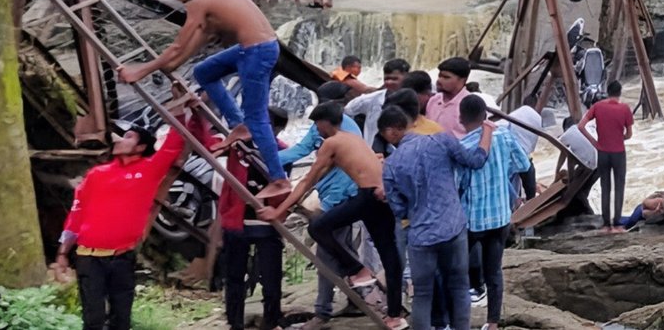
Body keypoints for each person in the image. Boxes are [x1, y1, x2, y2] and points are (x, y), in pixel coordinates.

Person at [119, 0, 290, 204]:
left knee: (257, 117)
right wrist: (170, 65)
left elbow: (178, 45)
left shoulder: (199, 3)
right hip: (254, 48)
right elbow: (202, 37)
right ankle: (238, 124)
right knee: (204, 72)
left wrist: (141, 70)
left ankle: (279, 180)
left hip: (257, 52)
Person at [259, 102, 408, 330]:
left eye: (317, 125)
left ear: (324, 123)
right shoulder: (353, 138)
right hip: (383, 196)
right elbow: (322, 175)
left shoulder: (331, 142)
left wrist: (279, 212)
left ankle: (356, 269)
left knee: (318, 227)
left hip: (367, 196)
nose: (316, 130)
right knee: (389, 253)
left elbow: (308, 179)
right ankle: (395, 316)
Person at [53, 117, 192, 330]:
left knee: (121, 319)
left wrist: (181, 110)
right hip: (89, 258)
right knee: (93, 319)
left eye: (128, 137)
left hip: (122, 257)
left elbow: (174, 144)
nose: (118, 139)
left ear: (141, 147)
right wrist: (63, 253)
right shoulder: (97, 174)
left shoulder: (148, 170)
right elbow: (76, 213)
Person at [380, 105, 495, 330]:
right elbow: (475, 161)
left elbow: (398, 209)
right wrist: (487, 132)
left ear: (393, 131)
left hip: (421, 235)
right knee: (460, 286)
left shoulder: (391, 164)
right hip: (453, 226)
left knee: (422, 294)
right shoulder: (440, 140)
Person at [198, 109, 289, 330]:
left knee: (271, 277)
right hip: (238, 221)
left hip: (268, 221)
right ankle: (235, 322)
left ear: (276, 128)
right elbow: (207, 145)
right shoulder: (237, 146)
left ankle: (272, 320)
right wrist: (197, 115)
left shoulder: (283, 151)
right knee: (234, 276)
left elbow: (282, 186)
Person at [456, 95, 531, 330]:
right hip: (500, 215)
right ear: (485, 115)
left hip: (472, 219)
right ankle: (493, 322)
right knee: (494, 271)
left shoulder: (464, 146)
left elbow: (457, 184)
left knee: (457, 270)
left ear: (461, 119)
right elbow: (524, 165)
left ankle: (456, 320)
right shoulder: (504, 136)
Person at [580, 79, 634, 231]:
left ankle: (605, 224)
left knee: (605, 187)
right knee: (619, 187)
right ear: (620, 93)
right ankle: (617, 222)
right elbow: (629, 134)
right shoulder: (625, 108)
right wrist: (619, 137)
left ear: (608, 92)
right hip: (618, 153)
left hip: (602, 152)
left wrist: (594, 142)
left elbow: (581, 126)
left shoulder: (597, 106)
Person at [345, 59, 411, 150]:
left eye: (394, 79)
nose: (389, 82)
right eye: (386, 79)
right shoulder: (371, 99)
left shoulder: (416, 101)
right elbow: (348, 111)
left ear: (407, 77)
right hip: (373, 154)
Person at [426, 57, 473, 135]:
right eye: (439, 76)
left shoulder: (470, 105)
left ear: (463, 80)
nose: (439, 81)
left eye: (446, 77)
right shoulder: (433, 100)